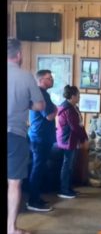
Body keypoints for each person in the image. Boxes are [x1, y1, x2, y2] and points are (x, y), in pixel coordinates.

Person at [8, 37, 45, 234]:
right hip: (15, 135)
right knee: (14, 183)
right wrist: (26, 104)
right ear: (19, 55)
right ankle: (10, 228)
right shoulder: (26, 76)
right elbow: (40, 105)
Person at [27, 70, 57, 212]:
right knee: (37, 168)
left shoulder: (41, 93)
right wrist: (56, 109)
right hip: (40, 137)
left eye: (52, 78)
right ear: (40, 80)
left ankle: (36, 197)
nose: (52, 80)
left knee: (39, 167)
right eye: (49, 78)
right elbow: (49, 116)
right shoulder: (41, 94)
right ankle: (33, 200)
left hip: (40, 136)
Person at [56, 85, 88, 199]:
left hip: (72, 140)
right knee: (67, 165)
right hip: (68, 140)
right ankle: (64, 189)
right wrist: (84, 138)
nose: (79, 97)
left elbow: (79, 125)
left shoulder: (73, 107)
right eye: (78, 95)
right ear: (73, 96)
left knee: (70, 165)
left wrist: (84, 137)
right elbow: (74, 126)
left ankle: (68, 187)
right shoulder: (68, 109)